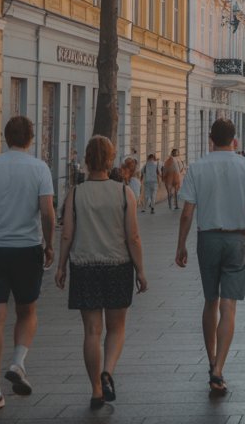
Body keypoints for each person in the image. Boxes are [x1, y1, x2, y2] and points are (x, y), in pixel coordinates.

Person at [176, 119, 245, 397]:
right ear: (234, 139)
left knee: (210, 301)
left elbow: (187, 212)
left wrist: (181, 245)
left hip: (208, 238)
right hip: (236, 237)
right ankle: (219, 369)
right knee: (229, 306)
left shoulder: (198, 167)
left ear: (210, 139)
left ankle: (211, 360)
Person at [0, 116, 55, 416]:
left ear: (6, 137)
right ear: (30, 139)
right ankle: (18, 362)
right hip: (26, 249)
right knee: (27, 311)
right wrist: (49, 245)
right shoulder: (39, 168)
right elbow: (47, 212)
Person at [55, 136, 148, 409]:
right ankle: (108, 371)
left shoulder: (76, 193)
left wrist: (60, 266)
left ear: (86, 159)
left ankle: (96, 389)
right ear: (111, 160)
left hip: (84, 267)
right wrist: (141, 270)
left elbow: (67, 234)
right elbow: (133, 237)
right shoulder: (124, 193)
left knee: (92, 332)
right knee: (117, 327)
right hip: (118, 265)